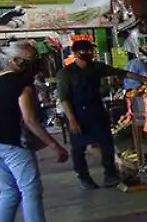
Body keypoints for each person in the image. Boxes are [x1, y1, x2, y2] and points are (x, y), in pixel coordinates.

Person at [0, 42, 73, 222]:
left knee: (9, 192)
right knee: (30, 189)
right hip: (13, 144)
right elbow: (30, 119)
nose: (34, 65)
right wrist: (54, 145)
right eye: (30, 61)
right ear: (15, 61)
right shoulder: (21, 83)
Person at [57, 37, 133, 189]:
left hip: (96, 111)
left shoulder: (96, 67)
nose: (89, 54)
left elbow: (121, 72)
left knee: (106, 143)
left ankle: (110, 175)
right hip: (77, 113)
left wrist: (146, 80)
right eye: (85, 51)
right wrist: (72, 120)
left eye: (91, 51)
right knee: (79, 148)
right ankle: (84, 177)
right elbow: (64, 98)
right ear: (76, 54)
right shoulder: (66, 73)